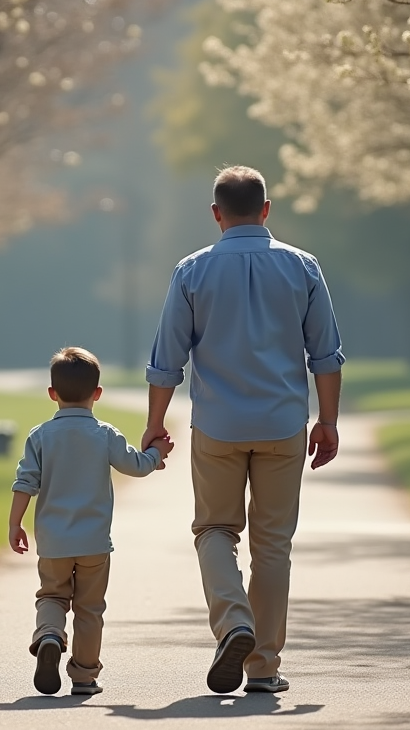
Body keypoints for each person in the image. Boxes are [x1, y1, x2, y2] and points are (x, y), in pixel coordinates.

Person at [142, 165, 344, 695]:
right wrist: (328, 420)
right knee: (273, 545)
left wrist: (155, 424)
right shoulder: (303, 268)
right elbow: (325, 354)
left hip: (217, 426)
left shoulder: (191, 272)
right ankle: (263, 666)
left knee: (214, 531)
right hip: (282, 424)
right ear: (266, 209)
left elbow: (167, 358)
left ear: (216, 214)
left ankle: (234, 622)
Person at [9, 346, 174, 697]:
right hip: (94, 544)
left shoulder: (39, 436)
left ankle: (50, 634)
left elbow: (25, 482)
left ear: (52, 394)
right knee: (89, 609)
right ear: (97, 394)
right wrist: (157, 452)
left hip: (53, 542)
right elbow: (137, 466)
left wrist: (15, 524)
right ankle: (84, 676)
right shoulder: (105, 434)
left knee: (52, 596)